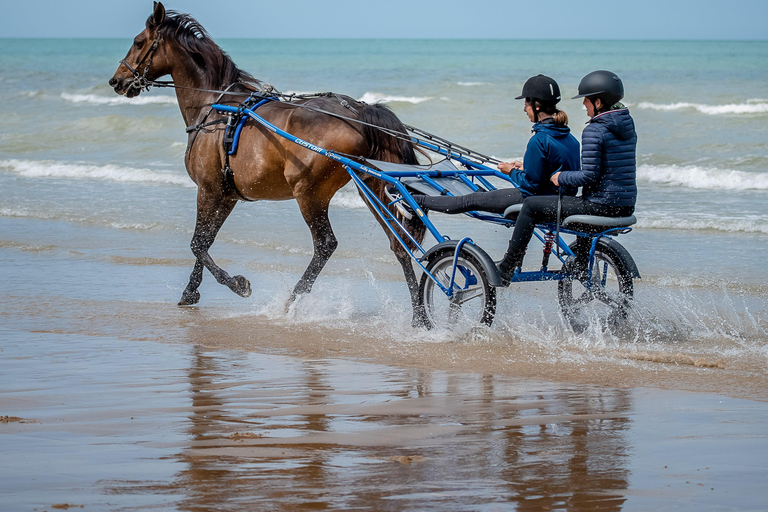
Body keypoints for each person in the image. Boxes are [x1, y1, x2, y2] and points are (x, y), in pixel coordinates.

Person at [496, 70, 637, 281]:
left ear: (598, 102)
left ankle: (507, 266)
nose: (584, 106)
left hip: (601, 206)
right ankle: (580, 264)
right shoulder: (626, 127)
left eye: (587, 101)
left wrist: (560, 177)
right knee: (582, 203)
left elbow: (589, 176)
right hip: (625, 205)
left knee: (532, 205)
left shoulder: (594, 130)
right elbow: (603, 170)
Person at [398, 74, 579, 216]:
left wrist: (512, 171)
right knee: (482, 195)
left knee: (471, 200)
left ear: (536, 105)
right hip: (557, 200)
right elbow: (558, 173)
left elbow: (531, 186)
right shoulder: (570, 138)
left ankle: (413, 201)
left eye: (526, 103)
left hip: (534, 200)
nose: (524, 109)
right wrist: (527, 167)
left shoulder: (539, 140)